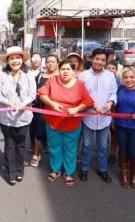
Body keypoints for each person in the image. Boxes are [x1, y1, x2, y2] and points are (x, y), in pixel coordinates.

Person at [38, 59, 94, 187]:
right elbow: (41, 94)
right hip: (53, 122)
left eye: (68, 69)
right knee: (54, 147)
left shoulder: (79, 84)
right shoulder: (52, 80)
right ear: (59, 70)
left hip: (72, 123)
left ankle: (69, 172)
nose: (65, 72)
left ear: (74, 72)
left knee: (70, 148)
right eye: (62, 69)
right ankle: (55, 170)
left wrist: (76, 109)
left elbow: (87, 101)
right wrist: (52, 103)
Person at [0, 46, 36, 186]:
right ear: (7, 61)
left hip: (24, 117)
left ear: (22, 59)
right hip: (6, 117)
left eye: (17, 58)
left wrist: (24, 104)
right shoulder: (2, 75)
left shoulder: (29, 74)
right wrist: (8, 103)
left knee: (21, 145)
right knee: (9, 145)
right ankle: (10, 173)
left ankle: (20, 170)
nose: (15, 60)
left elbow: (32, 94)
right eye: (12, 58)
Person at [78, 48, 117, 183]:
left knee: (103, 146)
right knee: (87, 144)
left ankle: (102, 169)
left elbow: (113, 93)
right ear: (92, 59)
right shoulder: (83, 76)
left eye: (103, 60)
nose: (100, 62)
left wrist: (110, 104)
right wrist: (93, 106)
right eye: (97, 59)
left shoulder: (110, 76)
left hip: (105, 117)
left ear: (106, 62)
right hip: (88, 116)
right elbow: (82, 95)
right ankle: (84, 168)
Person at [30, 54, 59, 167]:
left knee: (55, 133)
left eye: (53, 62)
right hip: (40, 108)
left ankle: (55, 157)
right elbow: (35, 90)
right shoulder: (41, 75)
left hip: (56, 109)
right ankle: (36, 154)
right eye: (48, 62)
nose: (50, 64)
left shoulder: (61, 75)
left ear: (57, 63)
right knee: (40, 131)